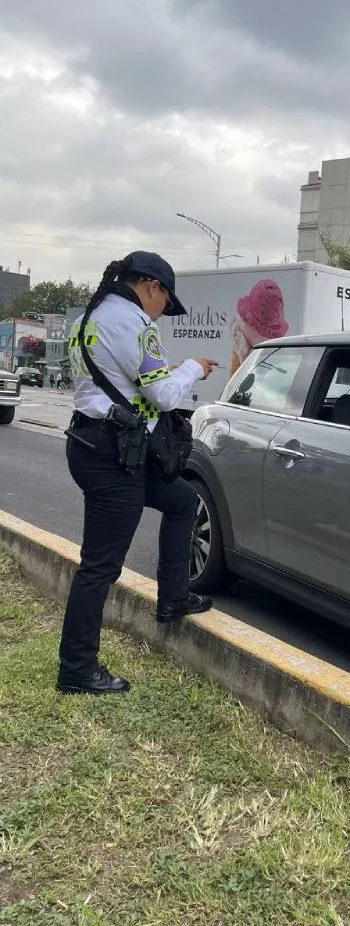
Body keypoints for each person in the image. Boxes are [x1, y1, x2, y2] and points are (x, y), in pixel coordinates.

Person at [57, 251, 218, 696]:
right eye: (165, 303)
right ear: (152, 287)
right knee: (100, 568)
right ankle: (77, 668)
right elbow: (164, 394)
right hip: (114, 456)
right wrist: (194, 368)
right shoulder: (132, 322)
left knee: (182, 500)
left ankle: (173, 597)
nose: (163, 314)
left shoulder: (89, 319)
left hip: (100, 445)